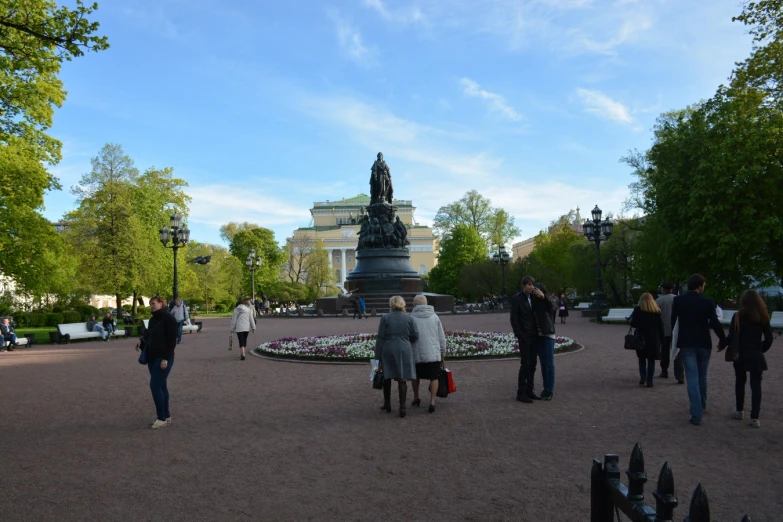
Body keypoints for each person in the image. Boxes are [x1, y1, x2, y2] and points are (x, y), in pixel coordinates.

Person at [671, 273, 728, 426]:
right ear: (700, 286)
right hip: (704, 342)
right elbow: (715, 322)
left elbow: (673, 322)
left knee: (692, 378)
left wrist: (670, 342)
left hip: (686, 343)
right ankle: (702, 405)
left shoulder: (679, 301)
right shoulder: (708, 302)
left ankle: (696, 414)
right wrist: (723, 340)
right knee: (702, 376)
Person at [727, 290, 774, 428]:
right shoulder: (763, 316)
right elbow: (769, 338)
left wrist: (723, 344)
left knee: (740, 382)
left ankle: (739, 410)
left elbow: (731, 336)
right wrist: (761, 349)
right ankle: (755, 417)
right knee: (756, 385)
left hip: (741, 354)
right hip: (755, 354)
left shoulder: (738, 316)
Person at [135, 296, 178, 429]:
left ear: (161, 303)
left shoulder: (169, 319)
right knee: (161, 386)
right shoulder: (154, 319)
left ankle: (161, 418)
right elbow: (150, 334)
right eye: (150, 304)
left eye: (153, 303)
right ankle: (166, 415)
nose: (151, 306)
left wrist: (166, 358)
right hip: (152, 357)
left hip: (163, 357)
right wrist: (141, 340)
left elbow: (172, 341)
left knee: (155, 386)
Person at [375, 295, 419, 418]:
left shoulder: (385, 318)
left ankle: (387, 403)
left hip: (388, 348)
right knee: (402, 378)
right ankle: (402, 407)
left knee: (387, 377)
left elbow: (380, 337)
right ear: (403, 304)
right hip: (404, 348)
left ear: (391, 304)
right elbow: (415, 335)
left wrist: (377, 356)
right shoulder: (409, 318)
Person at [409, 294, 447, 413]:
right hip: (433, 353)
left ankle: (416, 397)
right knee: (434, 377)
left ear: (414, 304)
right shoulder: (434, 317)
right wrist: (443, 353)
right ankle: (432, 401)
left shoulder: (411, 318)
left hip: (417, 353)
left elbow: (409, 337)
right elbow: (442, 337)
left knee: (415, 376)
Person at [510, 276, 544, 403]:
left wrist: (541, 296)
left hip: (534, 334)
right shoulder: (516, 299)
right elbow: (514, 319)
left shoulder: (533, 298)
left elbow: (546, 308)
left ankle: (530, 390)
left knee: (533, 364)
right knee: (526, 364)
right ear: (523, 286)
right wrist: (520, 335)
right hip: (524, 335)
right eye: (529, 284)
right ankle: (521, 392)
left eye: (532, 284)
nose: (531, 287)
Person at [630, 293, 665, 388]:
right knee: (651, 360)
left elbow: (633, 324)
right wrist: (662, 339)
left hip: (641, 338)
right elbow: (661, 327)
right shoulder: (656, 311)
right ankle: (650, 381)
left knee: (641, 358)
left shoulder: (638, 309)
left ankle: (642, 377)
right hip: (654, 339)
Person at [534, 283, 558, 400]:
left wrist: (543, 297)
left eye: (538, 290)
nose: (536, 292)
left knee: (549, 363)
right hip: (538, 336)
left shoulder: (547, 301)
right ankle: (545, 388)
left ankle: (550, 390)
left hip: (548, 334)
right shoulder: (533, 302)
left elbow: (553, 307)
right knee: (543, 364)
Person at [655, 282, 684, 382]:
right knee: (677, 351)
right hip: (677, 329)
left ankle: (664, 370)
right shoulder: (679, 299)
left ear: (663, 289)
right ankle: (679, 375)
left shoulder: (659, 300)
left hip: (665, 330)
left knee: (665, 351)